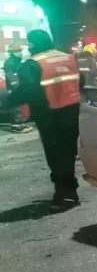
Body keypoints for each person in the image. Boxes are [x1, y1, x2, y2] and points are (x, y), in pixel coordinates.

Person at [0, 30, 81, 211]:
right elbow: (79, 82)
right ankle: (71, 192)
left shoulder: (33, 64)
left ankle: (65, 196)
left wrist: (7, 103)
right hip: (72, 113)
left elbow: (28, 91)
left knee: (55, 156)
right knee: (68, 154)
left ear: (34, 44)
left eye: (29, 43)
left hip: (50, 116)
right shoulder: (68, 58)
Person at [3, 42, 32, 132]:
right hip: (14, 88)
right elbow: (11, 76)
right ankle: (16, 126)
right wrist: (17, 88)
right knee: (16, 107)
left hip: (17, 87)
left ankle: (20, 124)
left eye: (20, 50)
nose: (20, 52)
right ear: (12, 52)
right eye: (17, 51)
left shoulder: (17, 61)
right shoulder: (10, 62)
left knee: (19, 106)